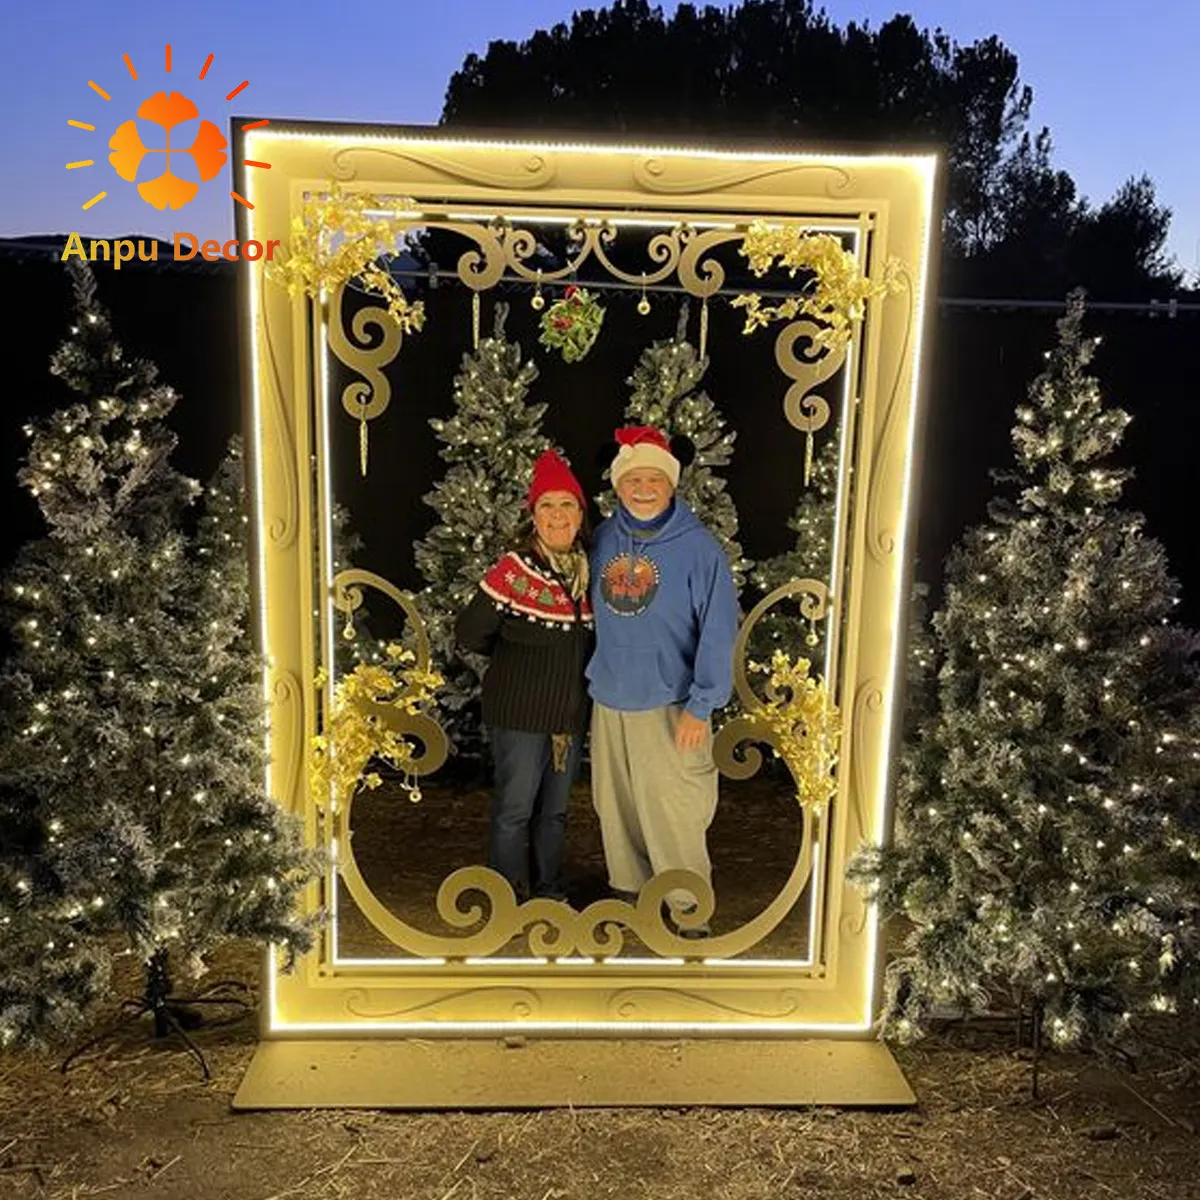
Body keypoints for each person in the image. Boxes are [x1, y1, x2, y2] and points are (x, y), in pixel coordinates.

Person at [587, 425, 739, 937]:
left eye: (655, 478)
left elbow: (719, 630)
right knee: (617, 803)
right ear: (618, 483)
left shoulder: (699, 550)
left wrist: (703, 703)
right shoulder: (604, 537)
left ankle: (687, 903)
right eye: (634, 479)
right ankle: (631, 892)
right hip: (610, 694)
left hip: (671, 699)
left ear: (672, 484)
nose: (644, 488)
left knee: (672, 805)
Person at [455, 449, 593, 903]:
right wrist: (515, 668)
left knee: (554, 813)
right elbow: (471, 634)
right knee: (515, 810)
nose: (557, 516)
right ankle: (509, 899)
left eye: (566, 505)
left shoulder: (587, 574)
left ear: (580, 514)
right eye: (547, 506)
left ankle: (550, 895)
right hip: (520, 715)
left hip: (567, 717)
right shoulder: (514, 571)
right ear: (533, 516)